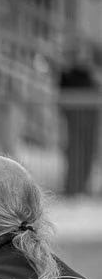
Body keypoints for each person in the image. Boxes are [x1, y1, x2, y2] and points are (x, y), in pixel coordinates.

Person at [58, 43, 99, 197]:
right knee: (74, 154)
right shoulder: (68, 74)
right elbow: (63, 95)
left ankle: (83, 187)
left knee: (87, 154)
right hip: (75, 123)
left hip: (90, 122)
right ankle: (72, 188)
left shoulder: (90, 74)